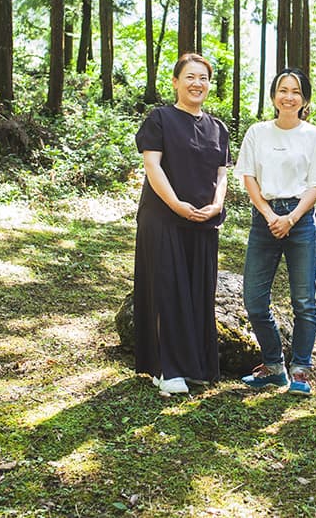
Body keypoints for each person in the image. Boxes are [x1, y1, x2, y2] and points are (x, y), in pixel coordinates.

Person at [133, 52, 229, 397]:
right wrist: (176, 205)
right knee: (168, 289)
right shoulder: (159, 119)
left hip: (204, 220)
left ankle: (196, 366)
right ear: (175, 82)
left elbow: (221, 174)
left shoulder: (218, 128)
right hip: (163, 218)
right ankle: (166, 369)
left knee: (199, 290)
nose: (197, 84)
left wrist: (216, 205)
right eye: (190, 77)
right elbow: (152, 167)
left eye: (203, 78)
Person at [236, 68, 316, 396]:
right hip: (263, 219)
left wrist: (291, 218)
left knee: (303, 300)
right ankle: (274, 366)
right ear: (273, 95)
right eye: (282, 89)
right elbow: (249, 177)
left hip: (302, 220)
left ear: (304, 98)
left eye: (295, 91)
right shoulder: (258, 133)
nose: (288, 96)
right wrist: (268, 214)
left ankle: (301, 370)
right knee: (254, 299)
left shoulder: (315, 136)